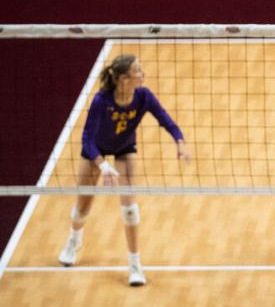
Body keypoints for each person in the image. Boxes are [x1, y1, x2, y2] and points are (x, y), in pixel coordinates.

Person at [58, 54, 190, 286]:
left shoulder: (143, 96)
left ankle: (134, 265)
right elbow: (87, 139)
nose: (142, 74)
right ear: (123, 79)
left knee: (130, 208)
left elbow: (166, 120)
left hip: (124, 148)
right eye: (137, 71)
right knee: (82, 207)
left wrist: (179, 142)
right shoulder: (101, 100)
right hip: (95, 151)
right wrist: (102, 164)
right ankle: (74, 238)